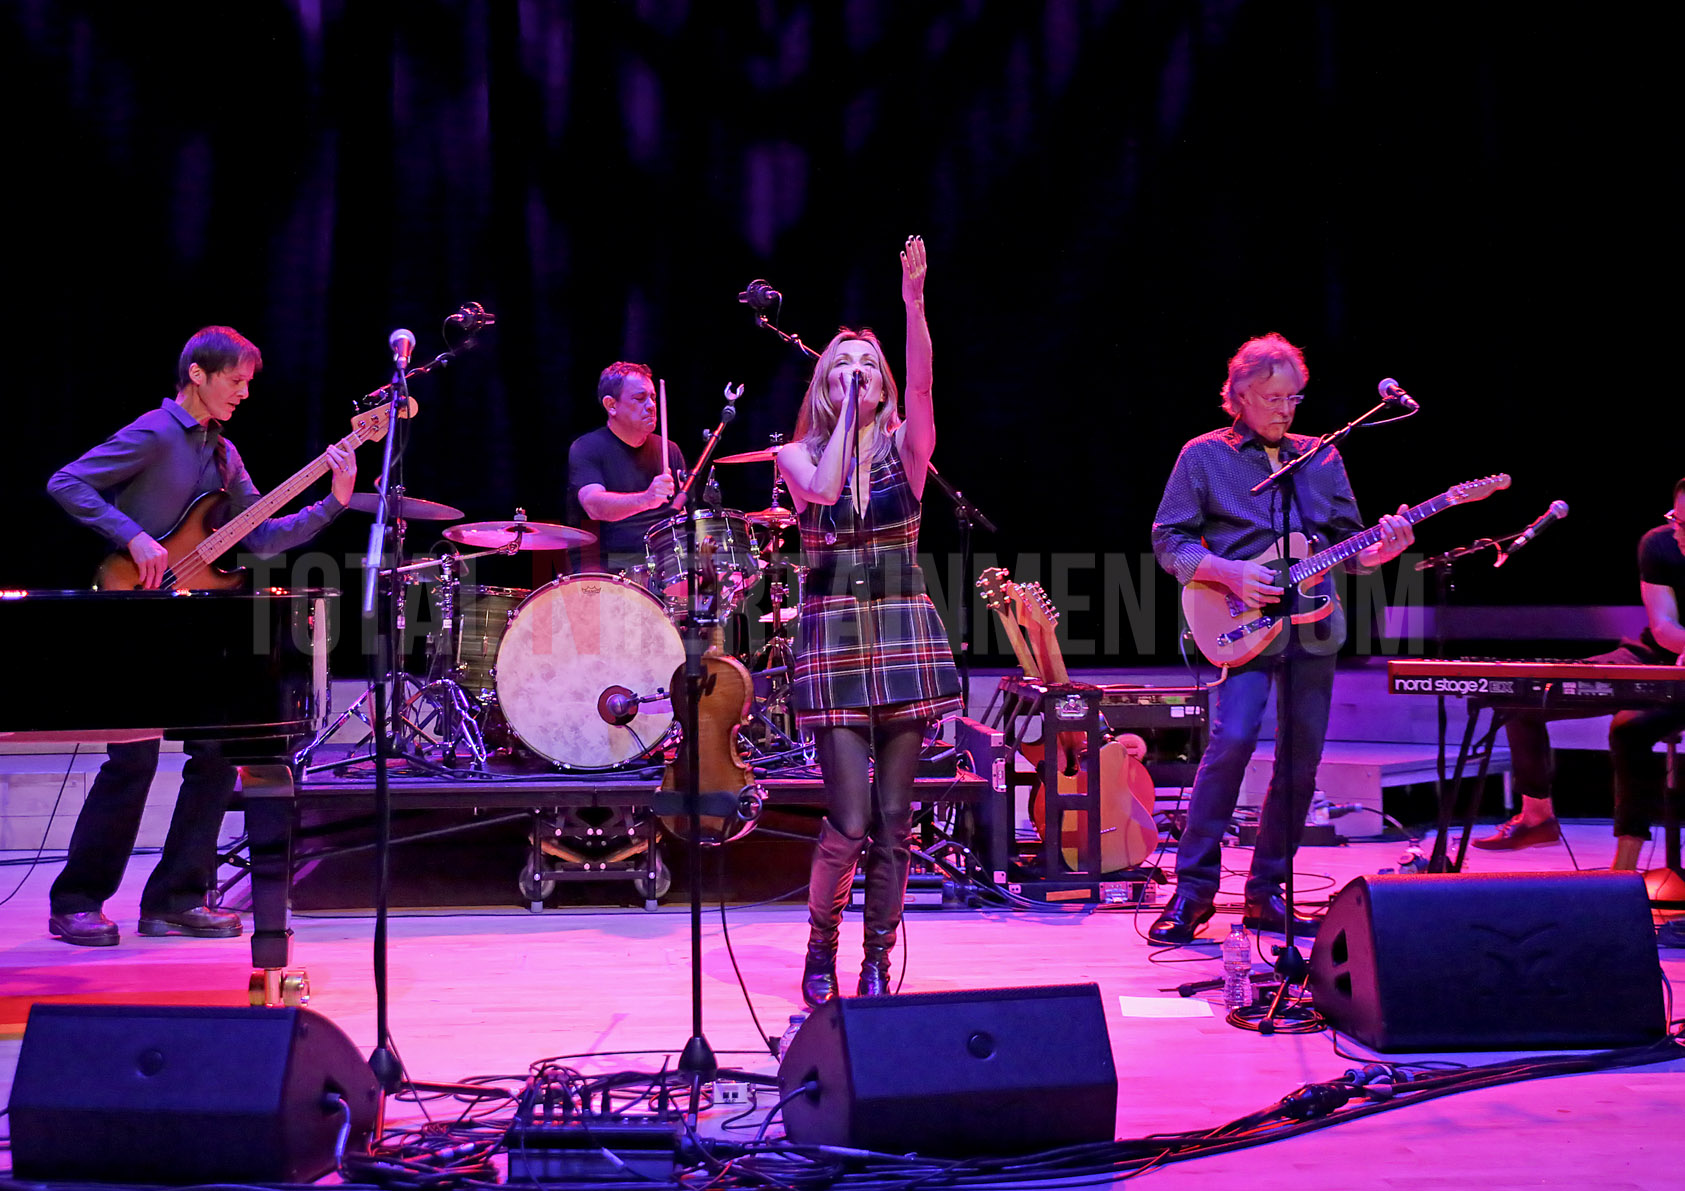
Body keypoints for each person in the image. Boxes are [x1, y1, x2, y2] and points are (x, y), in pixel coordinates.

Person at [44, 325, 357, 946]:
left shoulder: (225, 453)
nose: (244, 392)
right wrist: (132, 536)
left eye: (247, 382)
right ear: (198, 374)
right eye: (235, 380)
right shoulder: (154, 432)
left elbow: (259, 536)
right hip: (134, 609)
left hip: (195, 619)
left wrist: (334, 502)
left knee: (217, 755)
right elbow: (66, 482)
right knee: (131, 759)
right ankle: (76, 900)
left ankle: (177, 899)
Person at [1146, 333, 1415, 946]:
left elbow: (1349, 545)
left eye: (1294, 399)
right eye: (1272, 398)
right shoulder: (1203, 456)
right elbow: (1169, 540)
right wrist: (1228, 571)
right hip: (1239, 619)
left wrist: (1379, 551)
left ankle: (1266, 893)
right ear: (1238, 395)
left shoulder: (1320, 456)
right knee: (1233, 741)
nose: (1285, 410)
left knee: (1301, 760)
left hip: (1314, 627)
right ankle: (1193, 892)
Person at [776, 236, 961, 1005]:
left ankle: (876, 960)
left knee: (893, 819)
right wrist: (847, 418)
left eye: (866, 367)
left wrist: (912, 303)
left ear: (882, 385)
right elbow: (822, 491)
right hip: (833, 640)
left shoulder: (907, 450)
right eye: (840, 366)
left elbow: (922, 385)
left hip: (902, 636)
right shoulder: (794, 454)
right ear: (825, 386)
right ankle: (820, 945)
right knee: (848, 819)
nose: (855, 373)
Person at [1474, 478, 1685, 867]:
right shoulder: (1660, 544)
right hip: (1652, 658)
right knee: (1524, 695)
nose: (1678, 532)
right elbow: (1664, 626)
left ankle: (1624, 866)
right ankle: (1537, 817)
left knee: (1629, 728)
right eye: (1676, 519)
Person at [565, 362, 687, 575]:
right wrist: (647, 499)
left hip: (665, 567)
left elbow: (684, 518)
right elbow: (593, 505)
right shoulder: (586, 448)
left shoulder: (669, 449)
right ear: (611, 405)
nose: (651, 405)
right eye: (640, 398)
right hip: (607, 570)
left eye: (653, 398)